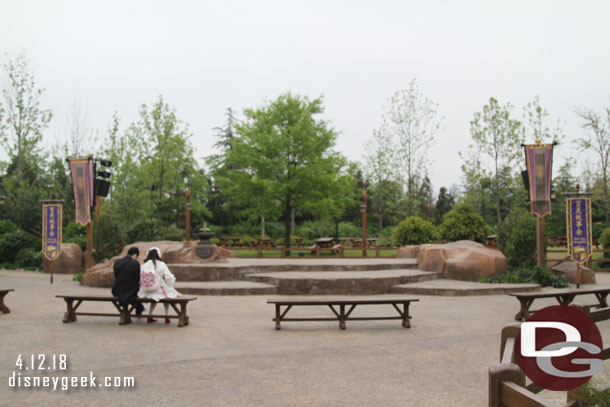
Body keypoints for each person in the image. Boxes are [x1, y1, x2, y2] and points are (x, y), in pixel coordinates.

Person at [137, 247, 180, 323]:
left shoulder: (143, 265)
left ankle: (150, 315)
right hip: (159, 289)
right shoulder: (161, 264)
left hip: (146, 291)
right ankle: (166, 315)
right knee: (167, 295)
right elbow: (169, 277)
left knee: (154, 297)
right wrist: (170, 284)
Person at [112, 247, 145, 316]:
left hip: (117, 290)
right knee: (134, 295)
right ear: (135, 254)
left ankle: (131, 311)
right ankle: (135, 311)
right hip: (130, 291)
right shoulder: (135, 263)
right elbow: (137, 278)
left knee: (127, 295)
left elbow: (116, 275)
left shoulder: (117, 262)